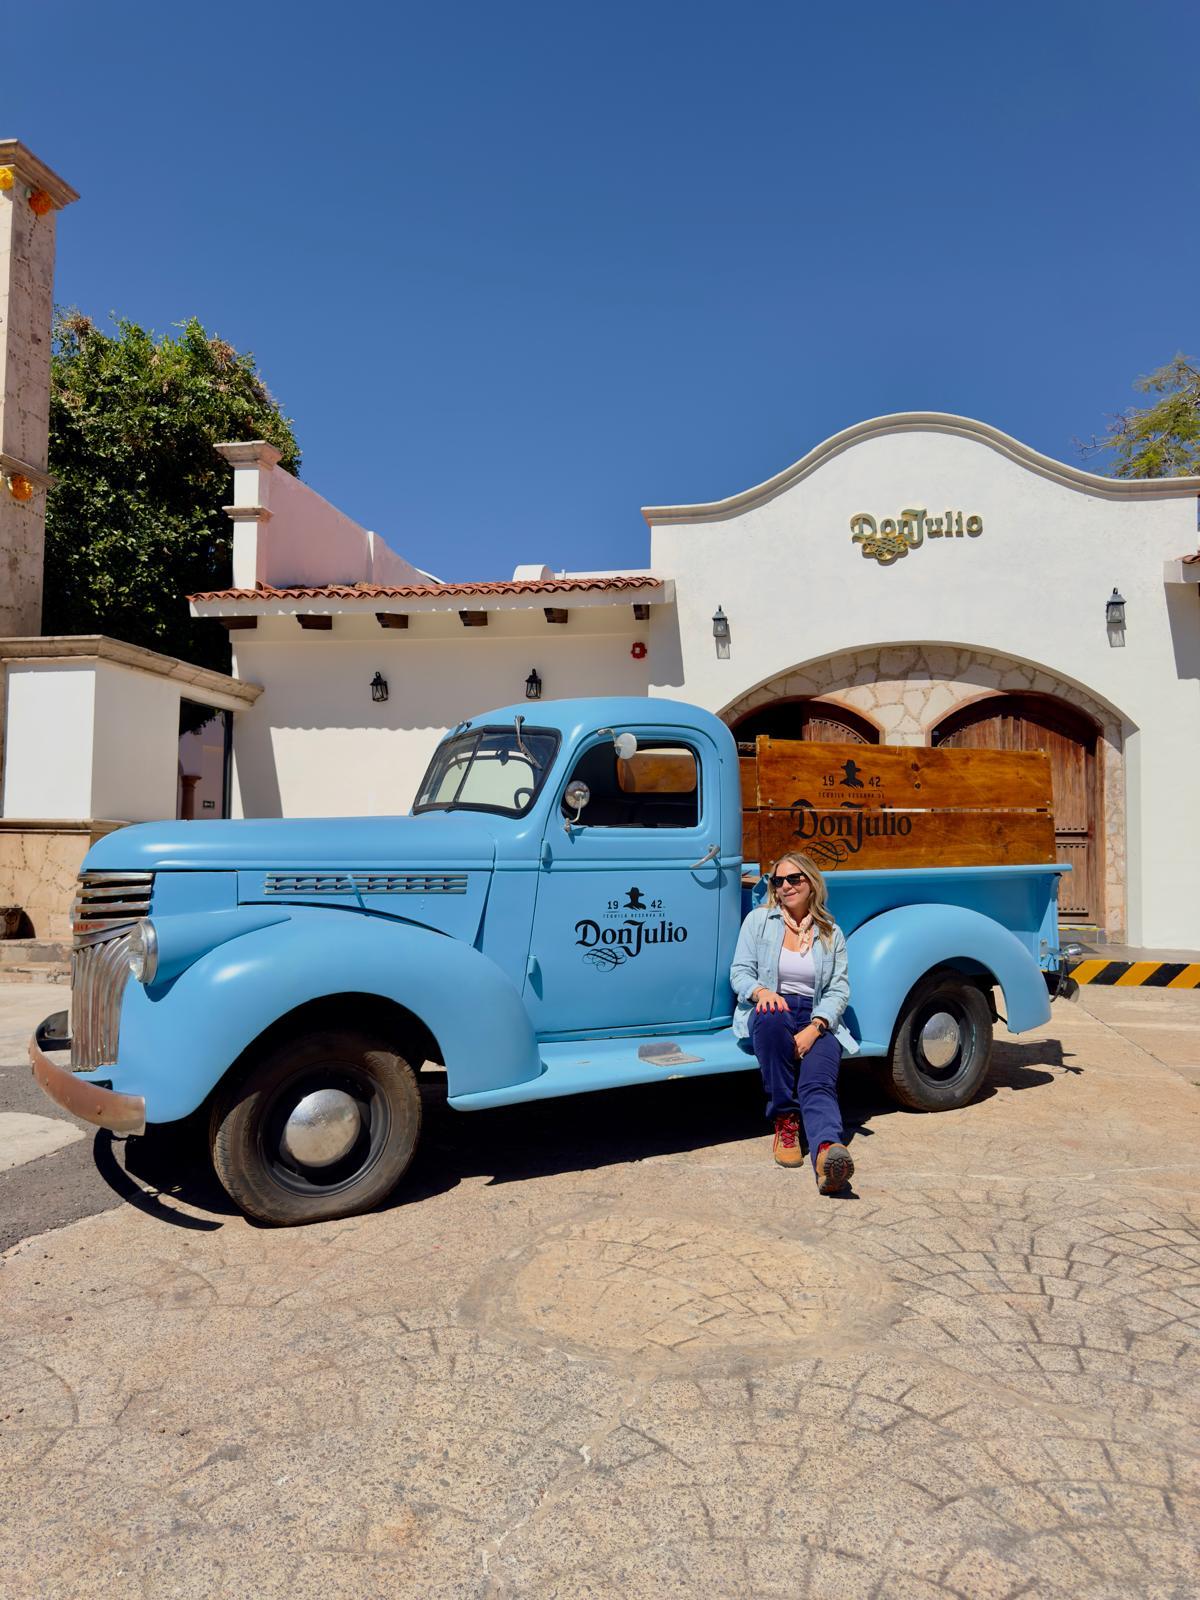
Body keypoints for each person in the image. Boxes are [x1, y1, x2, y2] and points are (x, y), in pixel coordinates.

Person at [730, 852, 858, 1192]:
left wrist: (816, 1027)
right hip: (774, 1007)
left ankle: (827, 1153)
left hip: (817, 1016)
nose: (785, 886)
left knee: (818, 1082)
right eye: (778, 880)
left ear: (811, 883)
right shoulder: (759, 921)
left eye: (794, 878)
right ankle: (786, 1121)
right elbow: (739, 972)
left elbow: (839, 989)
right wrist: (760, 992)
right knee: (771, 1017)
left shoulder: (830, 932)